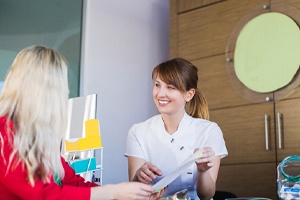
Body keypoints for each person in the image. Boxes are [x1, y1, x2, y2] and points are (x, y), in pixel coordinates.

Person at [0, 45, 161, 200]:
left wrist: (130, 193)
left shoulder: (38, 139)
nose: (67, 91)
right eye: (62, 85)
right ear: (43, 90)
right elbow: (45, 195)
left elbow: (75, 183)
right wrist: (114, 192)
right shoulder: (4, 132)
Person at [125, 58, 228, 200]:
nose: (160, 94)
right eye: (157, 85)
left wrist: (203, 171)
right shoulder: (137, 132)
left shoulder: (209, 131)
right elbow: (134, 194)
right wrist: (138, 177)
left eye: (170, 87)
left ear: (189, 94)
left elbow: (206, 195)